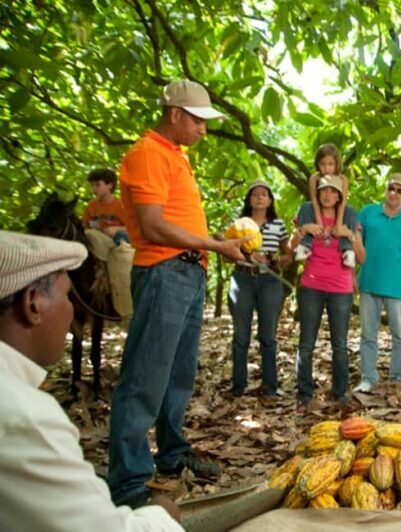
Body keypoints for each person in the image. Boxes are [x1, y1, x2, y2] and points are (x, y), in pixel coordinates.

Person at [108, 79, 248, 509]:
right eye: (198, 121)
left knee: (178, 373)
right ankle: (129, 478)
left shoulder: (176, 155)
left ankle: (171, 452)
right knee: (145, 374)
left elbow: (178, 220)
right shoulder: (147, 153)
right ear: (175, 114)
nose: (203, 130)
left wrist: (215, 246)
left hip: (188, 271)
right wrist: (212, 245)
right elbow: (151, 227)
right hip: (163, 271)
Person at [0, 230, 181, 531]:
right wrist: (161, 515)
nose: (72, 308)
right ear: (33, 303)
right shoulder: (26, 416)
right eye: (67, 296)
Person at [291, 175, 365, 411]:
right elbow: (291, 247)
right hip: (311, 285)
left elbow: (362, 257)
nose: (327, 195)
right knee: (306, 343)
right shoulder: (308, 213)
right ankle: (304, 393)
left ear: (339, 196)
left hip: (340, 288)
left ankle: (340, 392)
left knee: (339, 345)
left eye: (333, 191)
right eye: (324, 190)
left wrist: (349, 236)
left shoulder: (350, 217)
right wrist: (302, 230)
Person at [354, 173, 401, 393]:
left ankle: (398, 377)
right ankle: (368, 377)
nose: (394, 193)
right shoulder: (367, 213)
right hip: (369, 282)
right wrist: (350, 274)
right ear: (385, 190)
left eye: (399, 190)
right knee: (368, 334)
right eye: (391, 188)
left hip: (398, 287)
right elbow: (353, 244)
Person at [228, 180, 292, 397]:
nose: (259, 197)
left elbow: (288, 256)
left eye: (264, 194)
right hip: (242, 279)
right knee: (241, 336)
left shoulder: (278, 225)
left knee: (268, 336)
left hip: (269, 282)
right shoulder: (238, 224)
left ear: (270, 200)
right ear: (249, 200)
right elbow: (226, 253)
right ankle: (238, 387)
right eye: (255, 194)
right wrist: (246, 255)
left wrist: (273, 259)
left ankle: (270, 386)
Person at [294, 144, 356, 268]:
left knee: (349, 210)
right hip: (318, 209)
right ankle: (305, 245)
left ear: (336, 164)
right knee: (306, 206)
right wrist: (319, 222)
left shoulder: (342, 179)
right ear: (318, 164)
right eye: (323, 164)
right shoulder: (314, 178)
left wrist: (338, 225)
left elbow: (342, 201)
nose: (326, 168)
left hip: (338, 209)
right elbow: (315, 200)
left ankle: (347, 249)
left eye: (330, 164)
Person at [82, 168, 130, 244]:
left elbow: (133, 229)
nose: (94, 189)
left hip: (116, 243)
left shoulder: (121, 205)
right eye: (92, 185)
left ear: (110, 185)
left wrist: (116, 229)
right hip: (95, 241)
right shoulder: (91, 206)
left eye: (98, 185)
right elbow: (84, 226)